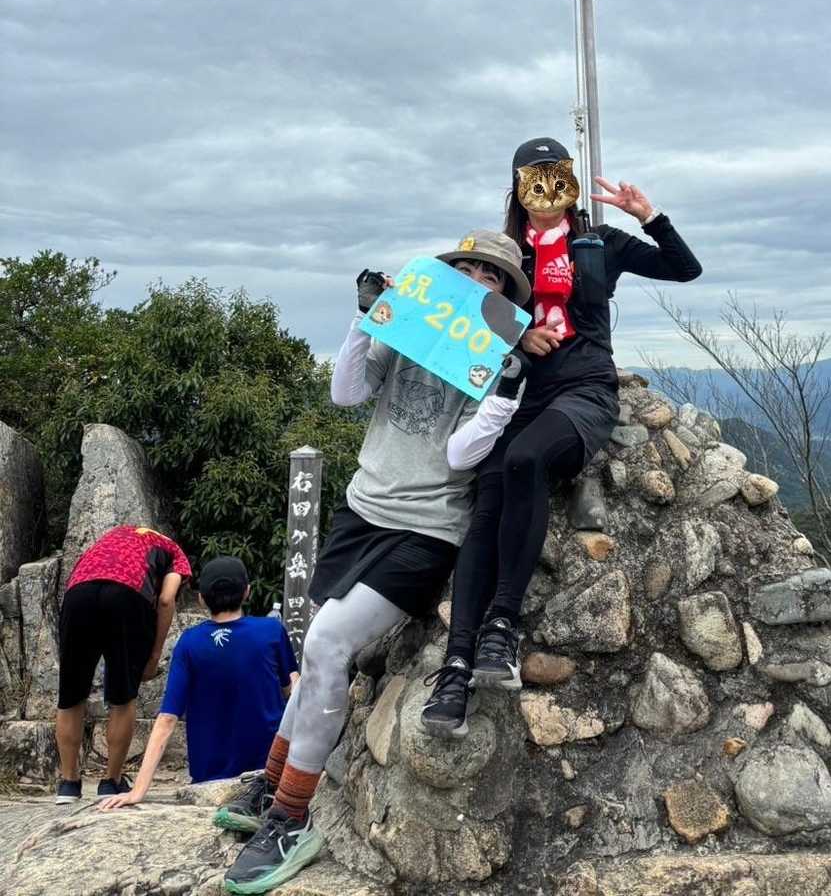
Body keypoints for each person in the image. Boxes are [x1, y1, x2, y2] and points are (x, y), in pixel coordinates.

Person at [219, 230, 530, 896]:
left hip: (427, 527)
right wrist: (366, 317)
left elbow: (459, 456)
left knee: (328, 642)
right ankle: (273, 780)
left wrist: (504, 396)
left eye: (492, 277)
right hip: (361, 508)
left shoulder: (495, 355)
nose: (476, 280)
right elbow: (346, 392)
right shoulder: (411, 331)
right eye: (466, 267)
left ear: (504, 295)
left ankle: (291, 817)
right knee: (318, 648)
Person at [422, 138, 702, 738]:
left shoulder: (599, 244)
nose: (545, 192)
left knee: (524, 460)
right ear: (517, 188)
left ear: (569, 183)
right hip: (518, 391)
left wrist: (648, 215)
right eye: (533, 179)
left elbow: (685, 268)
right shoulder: (508, 255)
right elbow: (457, 311)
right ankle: (456, 667)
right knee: (487, 502)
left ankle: (502, 626)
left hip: (585, 390)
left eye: (556, 177)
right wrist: (515, 336)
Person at [99, 555, 298, 811]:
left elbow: (167, 719)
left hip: (209, 782)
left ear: (202, 599)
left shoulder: (190, 642)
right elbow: (293, 690)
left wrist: (138, 790)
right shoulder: (271, 630)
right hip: (268, 776)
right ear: (247, 592)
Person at [55, 523, 191, 802]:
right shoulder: (175, 552)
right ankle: (111, 781)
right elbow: (166, 600)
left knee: (70, 695)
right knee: (122, 695)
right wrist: (153, 656)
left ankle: (68, 784)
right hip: (127, 597)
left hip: (78, 594)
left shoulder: (113, 536)